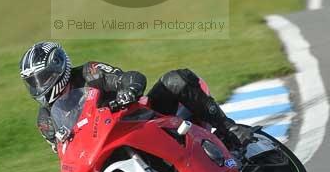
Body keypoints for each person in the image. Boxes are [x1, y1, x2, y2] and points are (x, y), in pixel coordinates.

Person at [19, 41, 254, 153]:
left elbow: (128, 78)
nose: (41, 85)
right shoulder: (45, 120)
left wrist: (127, 91)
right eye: (34, 81)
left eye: (44, 76)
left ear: (59, 67)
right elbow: (66, 157)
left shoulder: (90, 72)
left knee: (175, 79)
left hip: (145, 119)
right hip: (108, 149)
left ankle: (228, 129)